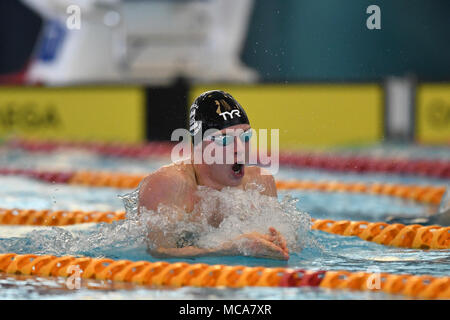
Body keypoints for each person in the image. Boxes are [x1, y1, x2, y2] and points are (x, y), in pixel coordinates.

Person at [138, 90, 289, 260]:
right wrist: (230, 248)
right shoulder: (168, 185)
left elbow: (281, 242)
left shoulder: (260, 181)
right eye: (224, 140)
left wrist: (281, 242)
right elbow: (158, 253)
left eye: (245, 136)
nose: (240, 148)